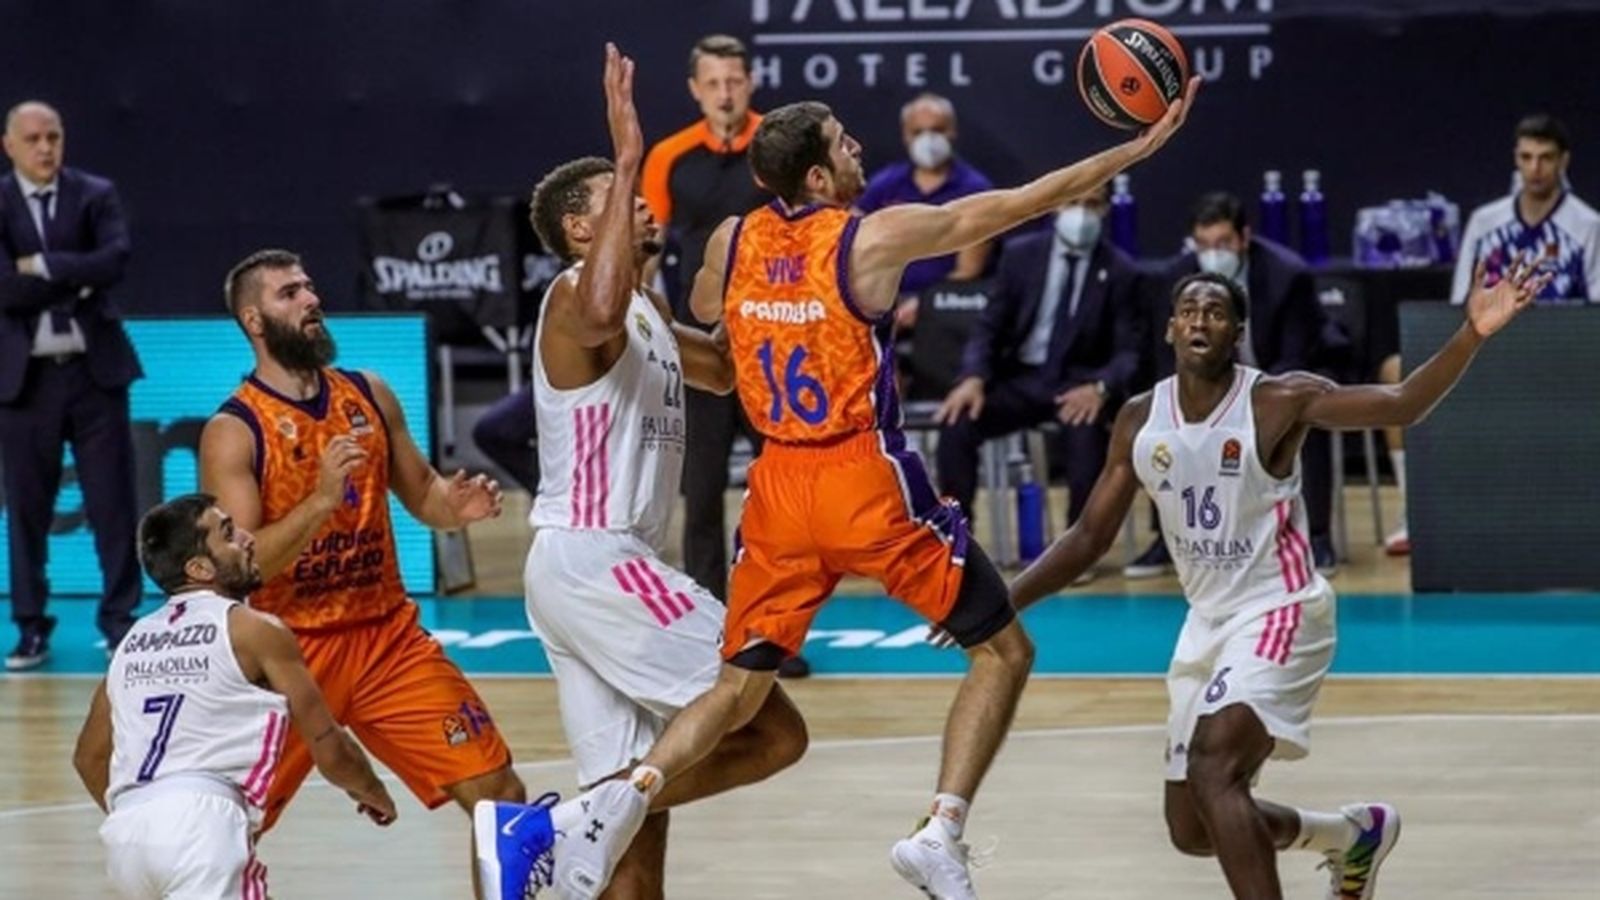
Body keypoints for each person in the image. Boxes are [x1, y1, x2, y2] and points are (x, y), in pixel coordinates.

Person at [533, 59, 1200, 900]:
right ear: (819, 174)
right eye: (847, 145)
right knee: (1002, 648)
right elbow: (1014, 205)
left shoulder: (730, 240)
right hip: (859, 476)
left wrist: (774, 319)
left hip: (775, 488)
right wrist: (1133, 150)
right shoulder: (870, 236)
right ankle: (941, 832)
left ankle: (612, 807)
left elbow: (712, 317)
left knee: (739, 691)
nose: (862, 152)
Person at [1004, 258, 1549, 899]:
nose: (1199, 320)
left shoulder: (1279, 400)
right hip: (1205, 624)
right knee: (1192, 828)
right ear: (1169, 330)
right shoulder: (1139, 419)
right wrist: (1002, 603)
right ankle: (1352, 837)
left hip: (1280, 608)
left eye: (1215, 312)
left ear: (1237, 332)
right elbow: (1088, 538)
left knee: (1215, 770)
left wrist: (1472, 333)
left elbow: (1403, 405)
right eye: (1188, 311)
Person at [474, 46, 808, 900]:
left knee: (634, 833)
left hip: (604, 571)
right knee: (771, 729)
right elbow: (598, 309)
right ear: (583, 228)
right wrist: (626, 158)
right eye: (620, 200)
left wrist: (786, 272)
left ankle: (564, 831)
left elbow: (729, 371)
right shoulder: (572, 295)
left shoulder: (649, 305)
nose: (645, 205)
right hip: (597, 558)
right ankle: (548, 830)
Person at [198, 247, 528, 898]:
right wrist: (320, 501)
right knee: (222, 834)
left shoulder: (368, 394)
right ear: (254, 321)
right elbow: (241, 566)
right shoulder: (233, 432)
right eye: (289, 293)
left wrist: (453, 509)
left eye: (310, 286)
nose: (310, 299)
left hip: (387, 643)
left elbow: (425, 496)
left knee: (502, 800)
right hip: (287, 656)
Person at [72, 493, 399, 900]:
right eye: (228, 533)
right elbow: (327, 743)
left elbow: (88, 756)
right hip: (202, 824)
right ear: (199, 567)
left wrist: (148, 822)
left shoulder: (132, 641)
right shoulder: (254, 629)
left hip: (128, 838)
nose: (247, 538)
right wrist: (371, 790)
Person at [641, 39, 811, 681]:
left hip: (781, 345)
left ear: (750, 81)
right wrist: (650, 327)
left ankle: (780, 635)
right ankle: (714, 632)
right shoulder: (670, 157)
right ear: (695, 88)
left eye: (735, 80)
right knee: (703, 492)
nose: (725, 92)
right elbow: (648, 249)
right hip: (706, 346)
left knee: (783, 497)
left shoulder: (779, 144)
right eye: (713, 82)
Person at [1378, 113, 1600, 554]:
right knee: (1393, 370)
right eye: (1526, 157)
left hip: (1561, 360)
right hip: (1487, 353)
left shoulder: (1589, 225)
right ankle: (1415, 513)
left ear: (1564, 162)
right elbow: (1462, 297)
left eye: (1546, 158)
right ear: (1515, 161)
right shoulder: (1485, 222)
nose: (1535, 168)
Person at [0, 100, 143, 669]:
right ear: (9, 145)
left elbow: (115, 260)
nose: (44, 148)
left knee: (113, 502)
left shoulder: (94, 193)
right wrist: (72, 276)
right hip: (25, 379)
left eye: (53, 136)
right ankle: (31, 627)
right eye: (32, 138)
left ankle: (120, 621)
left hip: (94, 373)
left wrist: (39, 267)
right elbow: (2, 290)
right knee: (26, 508)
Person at [1127, 192, 1337, 578]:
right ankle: (1165, 538)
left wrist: (1255, 400)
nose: (1213, 254)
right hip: (1204, 383)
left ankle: (1319, 537)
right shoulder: (1176, 278)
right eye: (1203, 244)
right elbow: (1162, 355)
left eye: (1223, 243)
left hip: (1269, 379)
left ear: (1244, 237)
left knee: (1305, 420)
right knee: (1166, 432)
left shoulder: (1286, 274)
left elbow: (1294, 355)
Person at [934, 183, 1142, 567]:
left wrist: (1100, 387)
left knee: (1087, 441)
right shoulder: (1020, 256)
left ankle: (1073, 554)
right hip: (1019, 379)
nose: (1081, 213)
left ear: (1106, 211)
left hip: (1076, 386)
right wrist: (973, 376)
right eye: (1074, 202)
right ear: (1055, 207)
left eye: (1092, 204)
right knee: (958, 420)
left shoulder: (1121, 271)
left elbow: (1129, 352)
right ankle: (955, 539)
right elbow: (989, 327)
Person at [855, 92, 996, 330]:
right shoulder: (884, 184)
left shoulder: (975, 188)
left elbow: (968, 269)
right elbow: (853, 247)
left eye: (938, 130)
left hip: (945, 307)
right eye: (918, 132)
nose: (928, 139)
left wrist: (925, 303)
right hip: (882, 300)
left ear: (953, 132)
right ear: (905, 135)